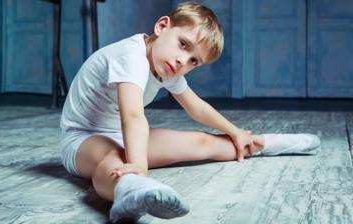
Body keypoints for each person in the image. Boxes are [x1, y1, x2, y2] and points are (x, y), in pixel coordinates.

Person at [59, 2, 321, 222]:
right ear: (162, 27)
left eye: (194, 61)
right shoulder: (131, 56)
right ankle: (129, 189)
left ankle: (259, 144)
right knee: (111, 157)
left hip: (121, 133)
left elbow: (197, 107)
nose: (183, 61)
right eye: (183, 44)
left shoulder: (167, 66)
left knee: (202, 140)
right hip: (82, 139)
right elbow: (133, 117)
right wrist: (139, 166)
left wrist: (235, 131)